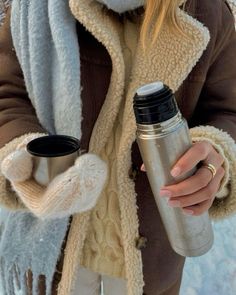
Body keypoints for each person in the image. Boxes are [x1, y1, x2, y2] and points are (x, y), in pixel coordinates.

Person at [0, 0, 236, 294]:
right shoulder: (32, 7)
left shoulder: (208, 12)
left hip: (152, 254)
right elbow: (8, 94)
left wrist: (216, 156)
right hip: (56, 246)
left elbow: (227, 112)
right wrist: (23, 155)